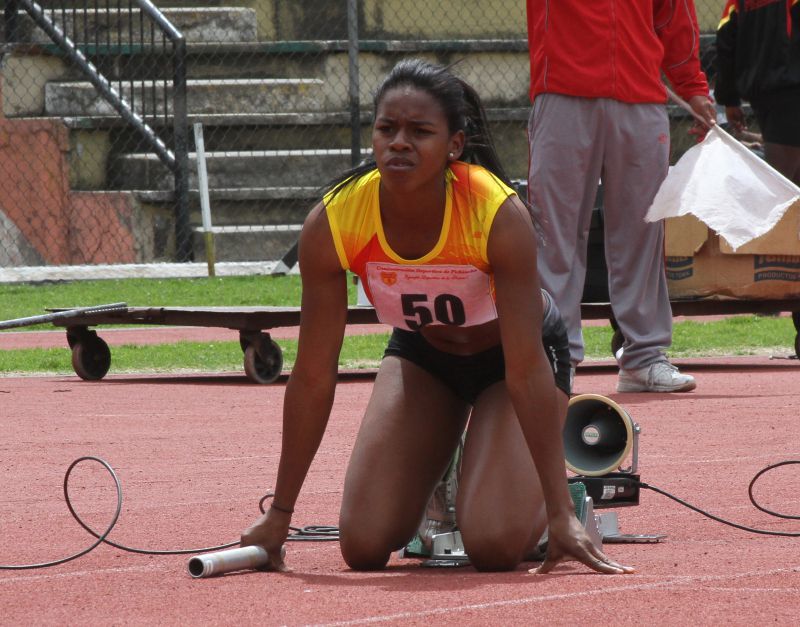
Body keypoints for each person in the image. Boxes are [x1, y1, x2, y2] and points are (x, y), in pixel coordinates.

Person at [240, 59, 633, 575]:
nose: (399, 142)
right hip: (424, 357)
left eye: (419, 132)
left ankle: (563, 503)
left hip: (512, 361)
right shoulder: (335, 220)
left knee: (492, 546)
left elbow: (526, 367)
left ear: (454, 146)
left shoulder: (495, 214)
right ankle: (449, 477)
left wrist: (558, 512)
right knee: (362, 546)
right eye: (387, 129)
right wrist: (280, 517)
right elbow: (313, 375)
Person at [525, 1, 717, 393]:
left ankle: (644, 358)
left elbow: (674, 19)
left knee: (643, 231)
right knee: (554, 233)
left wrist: (693, 88)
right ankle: (553, 355)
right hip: (562, 90)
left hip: (640, 97)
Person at [715, 0, 800, 186]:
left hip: (763, 91)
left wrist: (729, 99)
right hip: (790, 90)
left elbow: (725, 41)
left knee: (785, 185)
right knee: (781, 188)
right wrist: (729, 99)